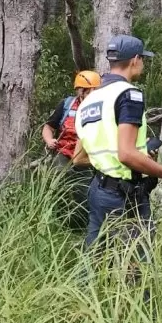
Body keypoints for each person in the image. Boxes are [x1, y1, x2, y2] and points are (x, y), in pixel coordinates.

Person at [73, 34, 162, 251]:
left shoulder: (88, 101)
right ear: (135, 60)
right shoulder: (129, 95)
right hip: (124, 196)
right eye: (143, 60)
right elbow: (125, 154)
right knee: (139, 267)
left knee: (97, 262)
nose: (142, 64)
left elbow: (81, 156)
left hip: (98, 190)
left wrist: (141, 154)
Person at [41, 70, 101, 224]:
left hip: (86, 156)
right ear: (81, 90)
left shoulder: (101, 108)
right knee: (59, 187)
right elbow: (49, 127)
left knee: (84, 191)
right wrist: (49, 141)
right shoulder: (67, 105)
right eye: (91, 90)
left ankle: (80, 226)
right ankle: (57, 222)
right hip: (63, 153)